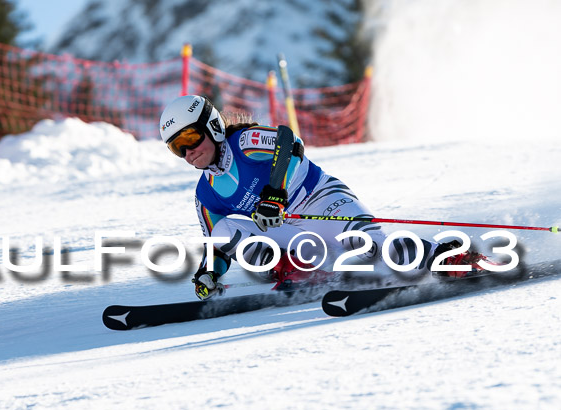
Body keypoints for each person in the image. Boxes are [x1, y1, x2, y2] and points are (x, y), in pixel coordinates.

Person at [159, 95, 486, 300]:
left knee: (366, 246)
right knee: (221, 231)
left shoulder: (243, 142)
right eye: (177, 146)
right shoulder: (205, 194)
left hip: (320, 200)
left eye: (191, 137)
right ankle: (294, 269)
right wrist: (209, 273)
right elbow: (216, 245)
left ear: (213, 126)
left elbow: (290, 144)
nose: (188, 151)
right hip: (288, 231)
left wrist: (276, 194)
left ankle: (444, 257)